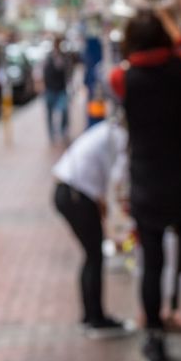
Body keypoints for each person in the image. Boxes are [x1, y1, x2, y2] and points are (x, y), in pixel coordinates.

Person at [109, 9, 181, 361]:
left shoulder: (121, 78)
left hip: (148, 184)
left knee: (151, 266)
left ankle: (153, 338)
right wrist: (168, 14)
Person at [52, 116, 133, 337]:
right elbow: (119, 177)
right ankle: (95, 318)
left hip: (70, 191)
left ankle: (92, 316)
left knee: (92, 254)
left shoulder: (108, 130)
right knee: (93, 255)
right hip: (75, 194)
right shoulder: (120, 136)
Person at [43, 36, 72, 143]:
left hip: (60, 89)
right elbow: (43, 70)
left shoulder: (64, 56)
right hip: (50, 88)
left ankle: (63, 130)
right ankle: (51, 134)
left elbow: (68, 71)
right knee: (49, 113)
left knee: (64, 110)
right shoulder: (49, 56)